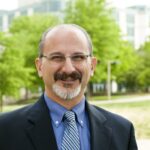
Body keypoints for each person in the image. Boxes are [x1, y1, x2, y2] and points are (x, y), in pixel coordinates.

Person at [0, 24, 138, 150]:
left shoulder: (123, 132)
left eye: (78, 57)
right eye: (57, 57)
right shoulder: (5, 130)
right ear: (39, 66)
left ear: (92, 66)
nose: (68, 69)